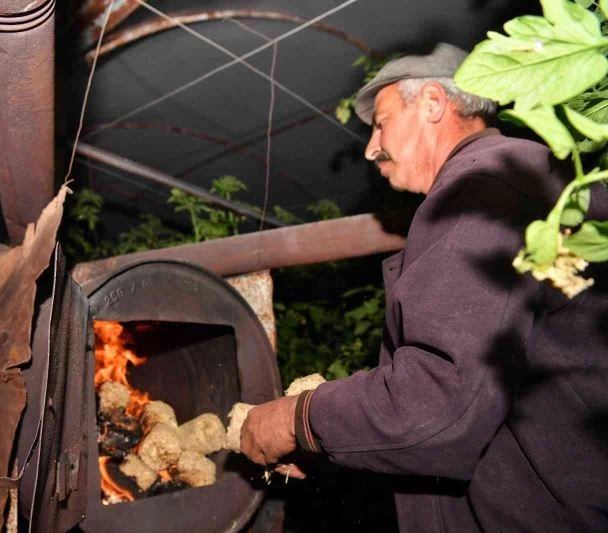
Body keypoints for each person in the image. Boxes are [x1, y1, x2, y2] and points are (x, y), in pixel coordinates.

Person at [240, 43, 608, 532]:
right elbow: (487, 395)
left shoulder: (476, 190)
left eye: (381, 122)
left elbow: (437, 405)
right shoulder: (530, 181)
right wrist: (329, 441)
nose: (371, 148)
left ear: (434, 103)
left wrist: (297, 418)